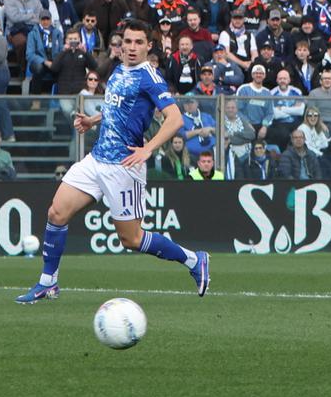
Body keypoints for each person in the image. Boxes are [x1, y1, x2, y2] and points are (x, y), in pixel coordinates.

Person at [14, 21, 211, 304]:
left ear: (148, 46)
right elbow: (115, 108)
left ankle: (194, 260)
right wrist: (93, 119)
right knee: (56, 213)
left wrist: (148, 150)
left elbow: (175, 119)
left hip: (124, 165)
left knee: (131, 240)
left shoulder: (149, 77)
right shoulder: (119, 69)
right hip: (96, 159)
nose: (131, 48)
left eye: (138, 43)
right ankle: (48, 282)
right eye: (127, 42)